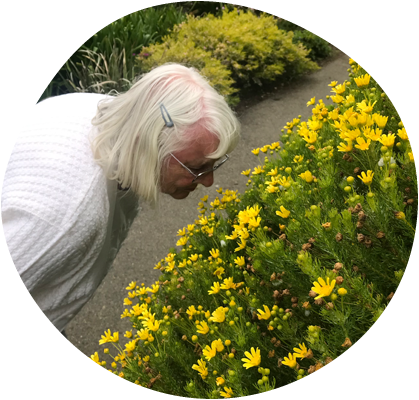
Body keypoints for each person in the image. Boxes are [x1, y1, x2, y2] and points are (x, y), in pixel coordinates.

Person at [1, 63, 240, 399]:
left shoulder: (115, 117)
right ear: (148, 144)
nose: (210, 181)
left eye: (215, 165)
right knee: (48, 377)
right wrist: (22, 327)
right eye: (197, 167)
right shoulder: (70, 216)